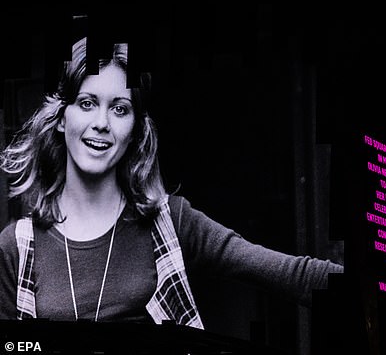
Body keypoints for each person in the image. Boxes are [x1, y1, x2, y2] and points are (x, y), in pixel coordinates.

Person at [0, 36, 343, 329]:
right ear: (62, 118)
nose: (101, 123)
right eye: (87, 103)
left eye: (120, 108)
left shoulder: (171, 223)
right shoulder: (17, 247)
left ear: (134, 129)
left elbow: (295, 276)